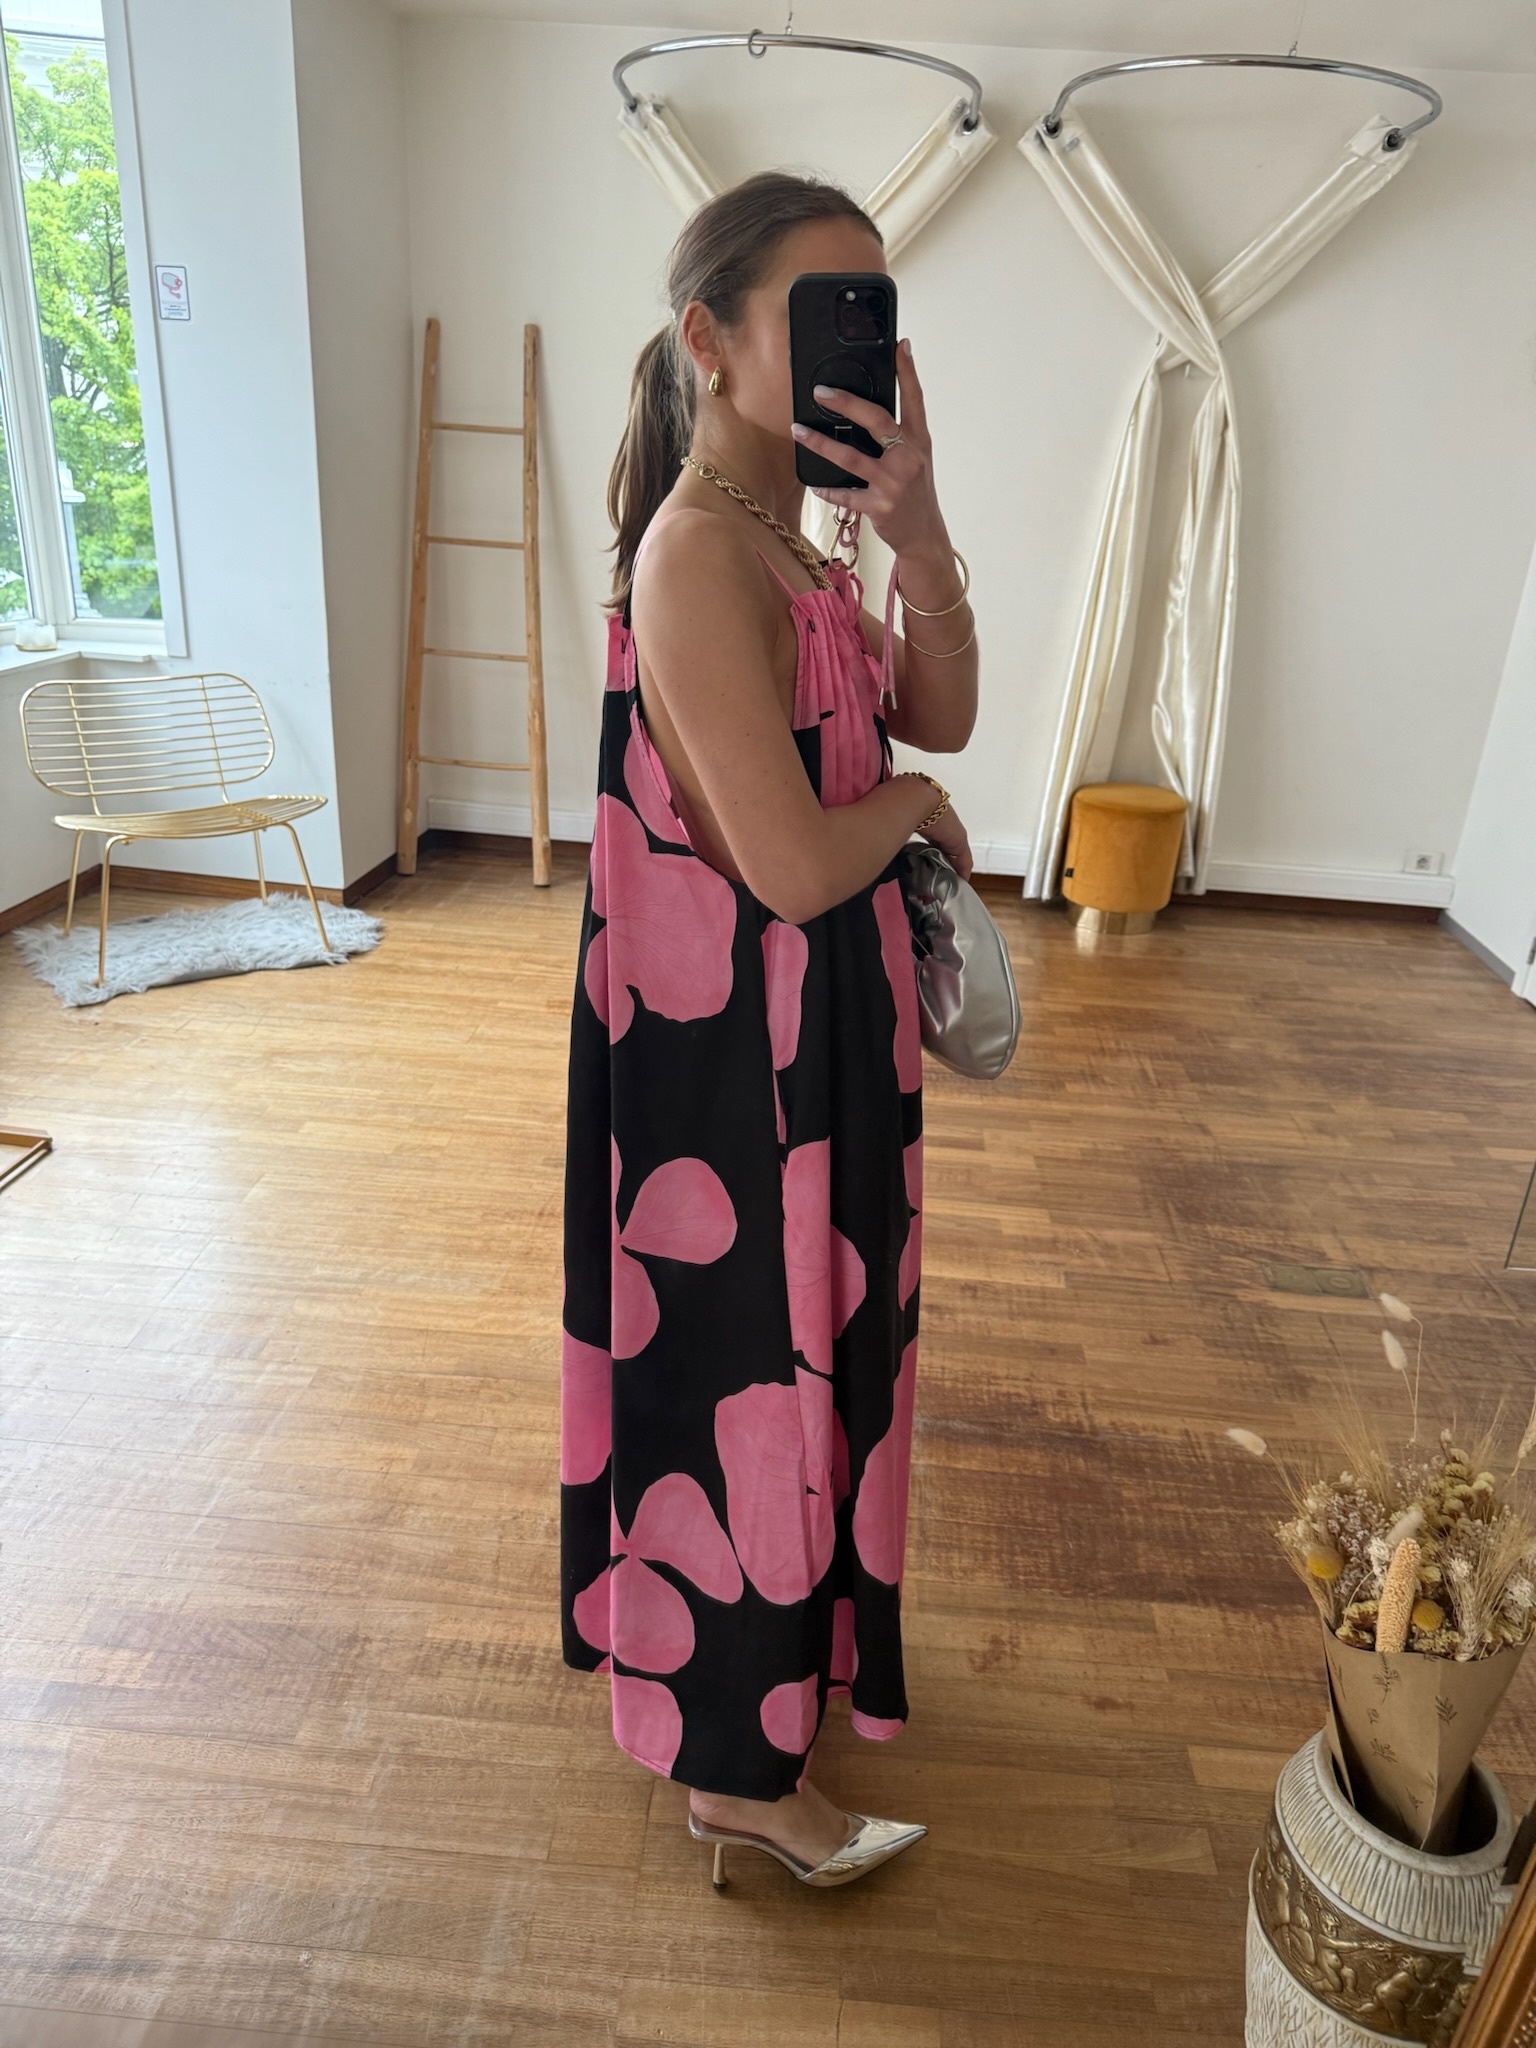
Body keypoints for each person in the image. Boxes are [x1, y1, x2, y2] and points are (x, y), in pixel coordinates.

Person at [559, 170, 978, 1891]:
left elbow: (937, 704)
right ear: (710, 339)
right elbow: (800, 862)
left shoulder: (792, 538)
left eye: (874, 313)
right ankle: (736, 1772)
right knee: (747, 1380)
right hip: (735, 1071)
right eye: (822, 311)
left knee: (816, 1372)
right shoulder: (693, 557)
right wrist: (918, 813)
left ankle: (786, 1679)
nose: (857, 346)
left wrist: (919, 530)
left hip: (820, 1046)